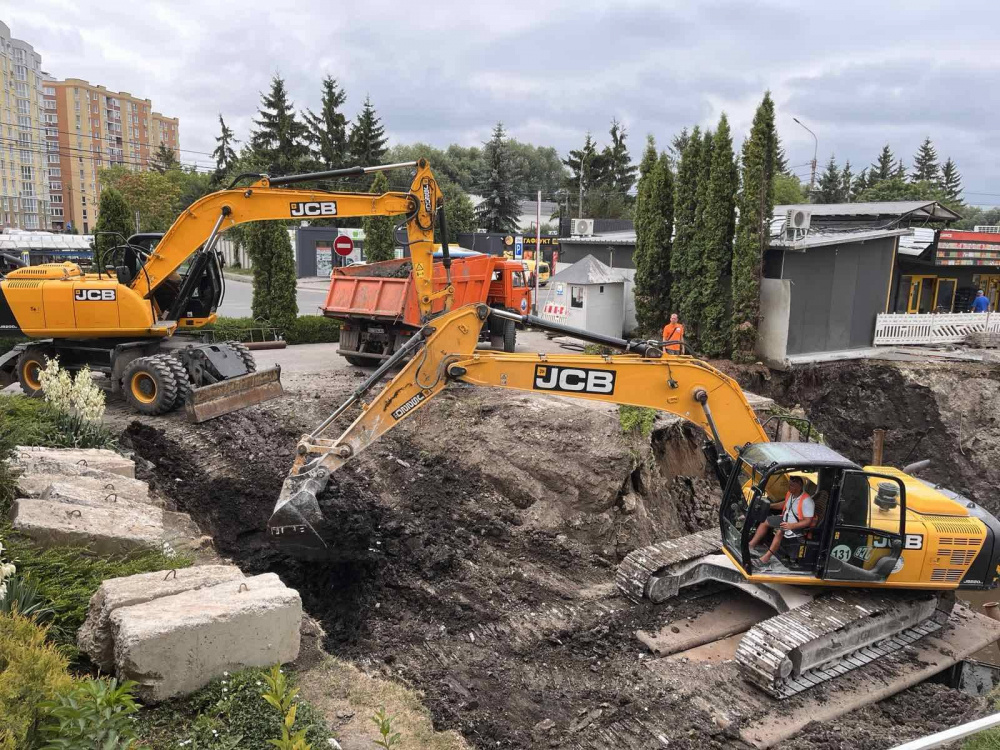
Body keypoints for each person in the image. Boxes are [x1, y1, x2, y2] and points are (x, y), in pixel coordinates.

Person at [748, 475, 814, 565]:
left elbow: (808, 521)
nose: (789, 487)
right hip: (785, 519)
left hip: (797, 526)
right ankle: (751, 545)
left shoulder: (807, 501)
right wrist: (770, 505)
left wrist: (791, 526)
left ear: (800, 486)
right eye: (789, 485)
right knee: (765, 521)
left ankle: (765, 558)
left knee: (780, 531)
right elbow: (784, 504)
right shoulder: (790, 494)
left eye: (792, 486)